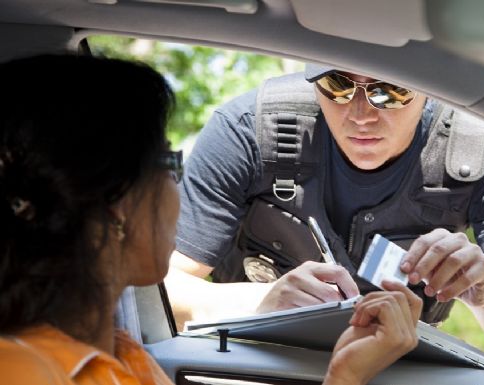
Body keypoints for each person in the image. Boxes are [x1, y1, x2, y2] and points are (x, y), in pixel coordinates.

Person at [0, 54, 421, 385]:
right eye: (167, 163)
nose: (178, 191)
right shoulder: (26, 371)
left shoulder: (119, 352)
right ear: (116, 206)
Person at [167, 66, 484, 362]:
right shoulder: (248, 131)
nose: (362, 114)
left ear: (430, 86)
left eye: (390, 90)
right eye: (338, 84)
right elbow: (150, 290)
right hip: (253, 366)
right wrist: (262, 301)